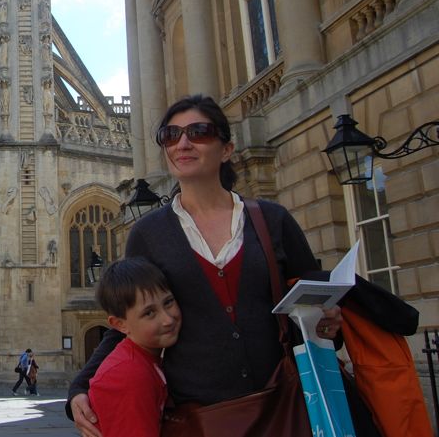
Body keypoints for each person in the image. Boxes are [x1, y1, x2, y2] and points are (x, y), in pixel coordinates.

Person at [66, 94, 342, 436]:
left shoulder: (273, 220)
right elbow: (129, 319)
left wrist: (331, 323)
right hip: (199, 417)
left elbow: (313, 303)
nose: (183, 143)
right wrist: (80, 386)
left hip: (282, 407)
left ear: (226, 149)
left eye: (198, 132)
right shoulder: (148, 233)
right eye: (171, 135)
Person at [88, 257, 181, 437]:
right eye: (149, 313)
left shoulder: (145, 359)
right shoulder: (129, 374)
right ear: (120, 325)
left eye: (168, 302)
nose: (168, 320)